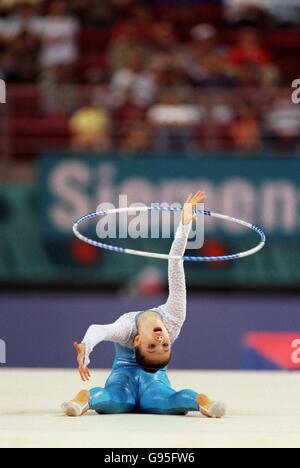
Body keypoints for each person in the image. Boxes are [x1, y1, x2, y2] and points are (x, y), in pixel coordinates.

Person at [62, 192, 226, 419]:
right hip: (123, 378)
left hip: (154, 381)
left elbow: (98, 330)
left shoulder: (127, 329)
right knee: (116, 398)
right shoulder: (174, 320)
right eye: (165, 347)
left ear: (136, 341)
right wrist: (185, 224)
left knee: (160, 400)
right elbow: (175, 262)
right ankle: (84, 398)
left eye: (152, 347)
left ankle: (201, 401)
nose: (160, 342)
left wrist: (86, 348)